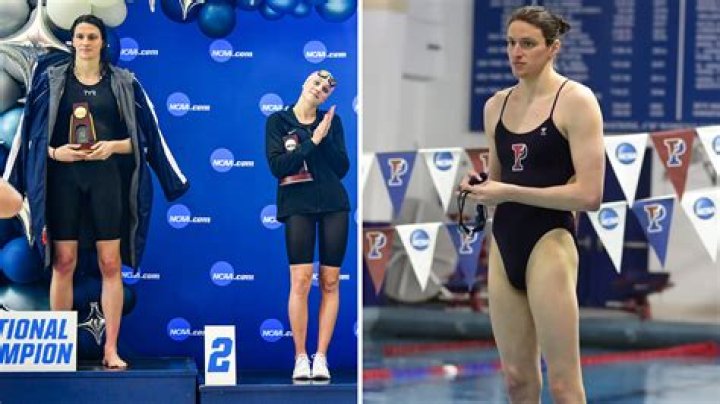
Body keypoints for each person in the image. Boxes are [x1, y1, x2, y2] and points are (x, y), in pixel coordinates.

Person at [6, 15, 189, 368]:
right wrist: (54, 154)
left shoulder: (124, 82)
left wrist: (114, 148)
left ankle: (111, 349)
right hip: (63, 182)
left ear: (102, 42)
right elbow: (29, 135)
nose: (86, 42)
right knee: (63, 263)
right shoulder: (51, 81)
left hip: (108, 182)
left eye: (92, 36)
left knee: (110, 264)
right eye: (80, 36)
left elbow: (147, 137)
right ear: (72, 41)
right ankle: (60, 349)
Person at [460, 6, 604, 403]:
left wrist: (507, 192)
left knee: (564, 385)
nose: (516, 52)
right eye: (510, 43)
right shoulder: (496, 105)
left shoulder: (576, 101)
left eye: (527, 44)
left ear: (553, 48)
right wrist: (479, 187)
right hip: (506, 241)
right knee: (517, 381)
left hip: (550, 240)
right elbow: (497, 179)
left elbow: (589, 195)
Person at [265, 70, 350, 380]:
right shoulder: (278, 121)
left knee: (330, 281)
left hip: (333, 204)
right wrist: (312, 141)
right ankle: (300, 356)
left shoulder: (332, 122)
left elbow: (342, 168)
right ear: (304, 83)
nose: (320, 89)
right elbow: (278, 166)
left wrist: (324, 138)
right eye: (316, 83)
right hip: (297, 205)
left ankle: (321, 357)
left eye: (326, 89)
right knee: (300, 281)